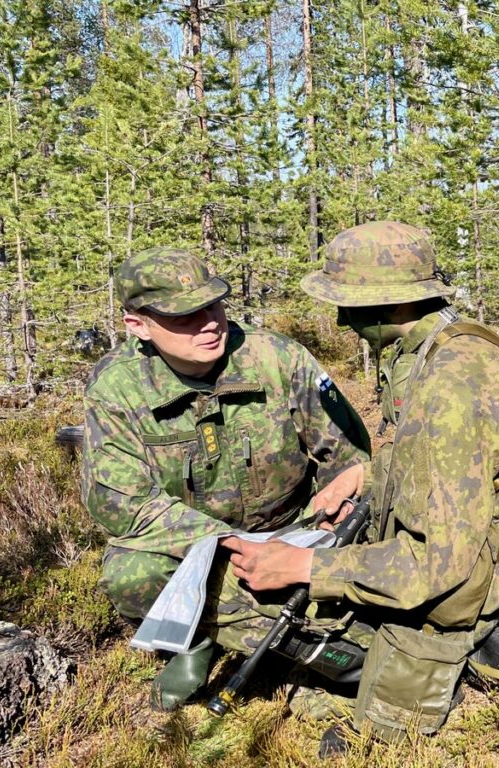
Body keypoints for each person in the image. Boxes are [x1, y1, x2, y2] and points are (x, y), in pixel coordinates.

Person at [221, 221, 499, 755]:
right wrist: (367, 474)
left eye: (349, 306)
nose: (341, 320)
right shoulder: (455, 345)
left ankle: (443, 657)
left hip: (456, 594)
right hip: (497, 561)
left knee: (231, 596)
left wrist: (305, 569)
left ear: (389, 305)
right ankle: (483, 638)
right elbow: (458, 464)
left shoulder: (448, 389)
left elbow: (436, 565)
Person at [80, 246, 371, 711]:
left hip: (297, 527)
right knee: (132, 574)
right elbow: (120, 503)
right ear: (138, 325)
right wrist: (232, 544)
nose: (210, 322)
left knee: (378, 528)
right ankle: (199, 641)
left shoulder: (276, 357)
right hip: (197, 544)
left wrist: (337, 510)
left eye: (214, 305)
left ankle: (293, 638)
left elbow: (348, 451)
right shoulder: (117, 387)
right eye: (185, 316)